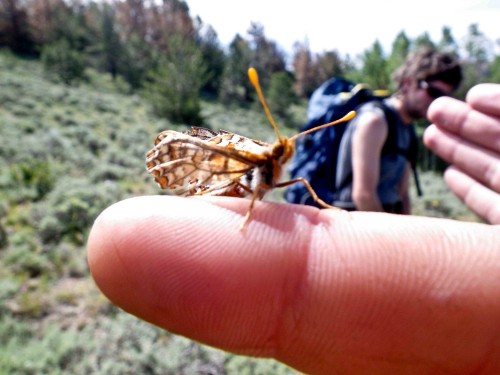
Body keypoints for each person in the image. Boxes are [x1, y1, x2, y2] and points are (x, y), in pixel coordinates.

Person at [87, 83, 500, 375]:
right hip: (218, 184)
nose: (285, 157)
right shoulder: (262, 156)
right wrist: (250, 211)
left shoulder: (395, 132)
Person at [334, 48, 463, 213]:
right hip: (358, 227)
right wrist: (389, 237)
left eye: (444, 97)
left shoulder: (407, 128)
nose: (437, 102)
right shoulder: (374, 121)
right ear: (408, 83)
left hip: (389, 220)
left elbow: (402, 192)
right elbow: (363, 195)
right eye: (433, 92)